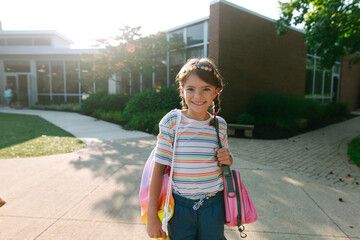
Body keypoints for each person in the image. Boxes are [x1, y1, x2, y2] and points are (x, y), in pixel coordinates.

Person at [147, 58, 233, 240]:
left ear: (216, 91)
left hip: (214, 205)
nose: (198, 96)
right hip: (180, 207)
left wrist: (228, 159)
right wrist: (151, 214)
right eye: (191, 89)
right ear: (182, 91)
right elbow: (158, 169)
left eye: (206, 89)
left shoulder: (220, 125)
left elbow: (225, 160)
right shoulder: (172, 122)